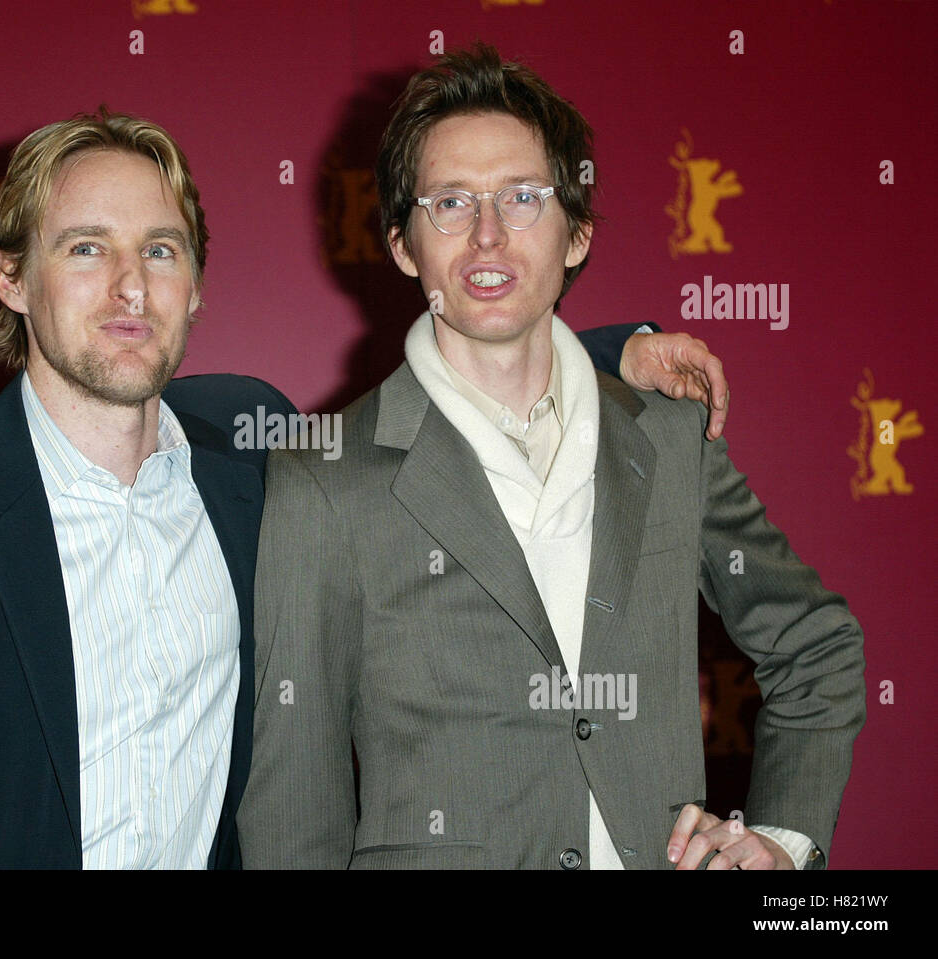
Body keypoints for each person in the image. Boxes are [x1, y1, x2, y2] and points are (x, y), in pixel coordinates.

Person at [0, 108, 734, 869]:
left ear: (196, 284)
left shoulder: (261, 470)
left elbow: (427, 424)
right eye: (86, 247)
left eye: (161, 251)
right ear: (10, 274)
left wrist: (613, 351)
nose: (130, 286)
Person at [237, 46, 866, 870]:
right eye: (451, 201)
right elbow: (294, 815)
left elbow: (816, 642)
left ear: (577, 233)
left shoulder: (671, 438)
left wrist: (782, 841)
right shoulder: (322, 480)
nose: (488, 231)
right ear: (401, 244)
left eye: (523, 197)